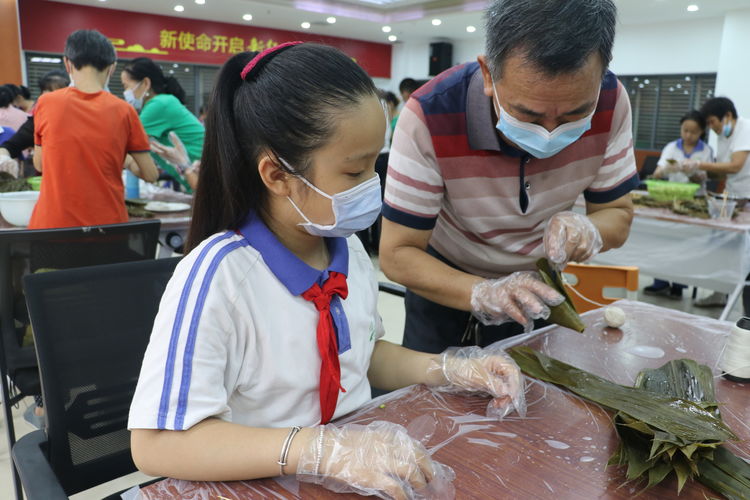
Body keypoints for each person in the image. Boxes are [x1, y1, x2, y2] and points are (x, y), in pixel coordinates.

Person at [128, 44, 524, 499]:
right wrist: (318, 449)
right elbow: (156, 444)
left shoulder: (349, 251)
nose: (373, 187)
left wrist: (450, 369)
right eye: (355, 172)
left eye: (375, 164)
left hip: (345, 479)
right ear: (277, 175)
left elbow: (361, 355)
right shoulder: (218, 278)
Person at [379, 0, 639, 354]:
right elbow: (397, 253)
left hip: (539, 288)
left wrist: (588, 230)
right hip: (445, 285)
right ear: (488, 74)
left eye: (573, 115)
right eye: (528, 114)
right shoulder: (429, 115)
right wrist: (482, 292)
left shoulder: (610, 101)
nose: (549, 133)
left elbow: (618, 215)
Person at [29, 29, 158, 229]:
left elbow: (40, 164)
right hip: (107, 227)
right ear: (112, 68)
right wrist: (121, 156)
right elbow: (150, 174)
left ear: (67, 64)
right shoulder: (124, 111)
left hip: (52, 225)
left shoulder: (46, 103)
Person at [678, 97, 750, 308]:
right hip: (733, 199)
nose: (711, 127)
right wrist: (701, 174)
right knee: (723, 249)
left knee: (746, 257)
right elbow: (722, 172)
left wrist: (699, 162)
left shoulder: (745, 129)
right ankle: (720, 294)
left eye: (712, 122)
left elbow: (735, 166)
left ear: (727, 116)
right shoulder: (722, 137)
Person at [643, 110, 713, 300]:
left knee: (686, 244)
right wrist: (666, 168)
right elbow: (657, 174)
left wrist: (694, 171)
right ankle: (660, 283)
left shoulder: (705, 151)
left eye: (693, 132)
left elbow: (704, 179)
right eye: (685, 130)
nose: (688, 135)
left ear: (701, 133)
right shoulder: (671, 147)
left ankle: (679, 286)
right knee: (663, 240)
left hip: (693, 202)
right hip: (670, 200)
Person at [121, 57, 204, 193]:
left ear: (146, 83)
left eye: (126, 86)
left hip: (204, 177)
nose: (126, 93)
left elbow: (124, 142)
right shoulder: (161, 103)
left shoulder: (158, 105)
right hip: (196, 179)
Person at [0, 70, 70, 178]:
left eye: (55, 93)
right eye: (45, 92)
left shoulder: (78, 118)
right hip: (48, 181)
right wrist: (3, 158)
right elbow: (11, 146)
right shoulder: (37, 121)